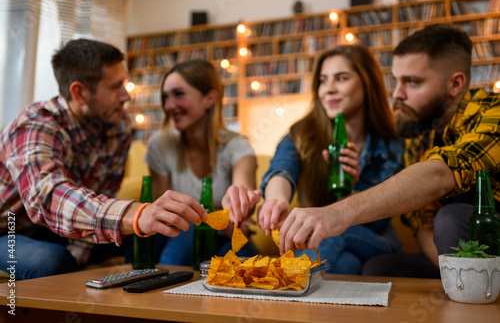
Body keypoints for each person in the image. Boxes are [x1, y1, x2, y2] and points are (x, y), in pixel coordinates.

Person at [278, 24, 500, 279]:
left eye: (412, 82)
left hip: (492, 253)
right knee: (377, 268)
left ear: (455, 84)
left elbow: (440, 174)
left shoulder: (493, 112)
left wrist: (337, 213)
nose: (397, 94)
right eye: (396, 81)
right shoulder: (418, 138)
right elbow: (423, 224)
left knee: (450, 216)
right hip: (451, 261)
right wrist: (450, 273)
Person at [0, 39, 207, 280]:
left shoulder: (118, 125)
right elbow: (48, 198)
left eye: (125, 84)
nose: (126, 96)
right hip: (10, 231)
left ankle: (142, 305)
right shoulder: (34, 127)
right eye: (115, 87)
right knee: (51, 260)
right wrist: (136, 215)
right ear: (80, 93)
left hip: (66, 232)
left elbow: (102, 191)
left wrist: (81, 250)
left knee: (162, 235)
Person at [258, 45, 405, 274]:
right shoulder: (302, 134)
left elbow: (378, 222)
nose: (329, 90)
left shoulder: (390, 144)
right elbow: (282, 169)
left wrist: (350, 191)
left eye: (341, 78)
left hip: (378, 242)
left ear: (367, 84)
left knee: (329, 227)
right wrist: (278, 201)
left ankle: (288, 296)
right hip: (329, 246)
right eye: (323, 81)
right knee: (347, 264)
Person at [143, 59, 261, 266]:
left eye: (179, 94)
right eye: (165, 97)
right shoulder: (159, 145)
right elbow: (161, 212)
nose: (169, 106)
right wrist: (216, 221)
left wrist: (238, 209)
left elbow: (242, 197)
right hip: (176, 237)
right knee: (187, 233)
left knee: (241, 252)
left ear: (209, 98)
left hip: (222, 238)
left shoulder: (238, 146)